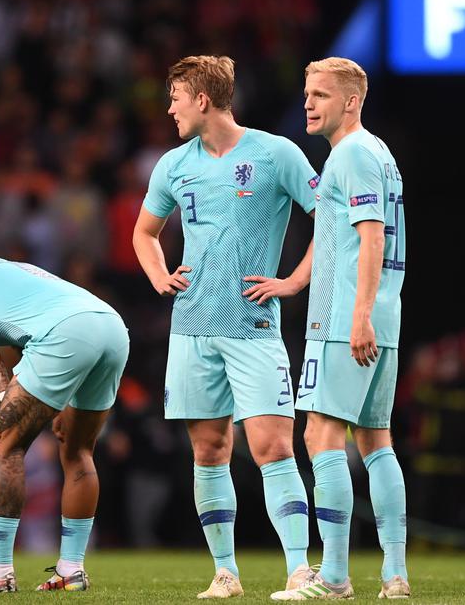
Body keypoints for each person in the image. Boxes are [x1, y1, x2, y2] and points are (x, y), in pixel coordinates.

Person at [132, 55, 319, 598]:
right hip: (192, 327)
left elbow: (329, 216)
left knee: (272, 447)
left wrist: (293, 281)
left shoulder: (275, 153)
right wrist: (160, 277)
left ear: (203, 100)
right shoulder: (172, 165)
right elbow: (144, 234)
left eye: (175, 96)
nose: (169, 107)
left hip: (253, 326)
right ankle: (225, 573)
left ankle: (299, 570)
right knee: (208, 451)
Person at [271, 58, 410, 600]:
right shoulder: (378, 153)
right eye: (307, 93)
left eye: (321, 95)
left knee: (320, 435)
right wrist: (293, 283)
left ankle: (332, 578)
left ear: (351, 101)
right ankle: (395, 575)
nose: (309, 103)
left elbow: (371, 237)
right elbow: (338, 236)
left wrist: (356, 315)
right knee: (377, 442)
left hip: (347, 321)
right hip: (384, 316)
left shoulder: (350, 154)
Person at [0, 256, 129, 594]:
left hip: (66, 332)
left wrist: (4, 403)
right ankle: (71, 571)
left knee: (6, 443)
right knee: (77, 451)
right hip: (111, 327)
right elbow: (24, 339)